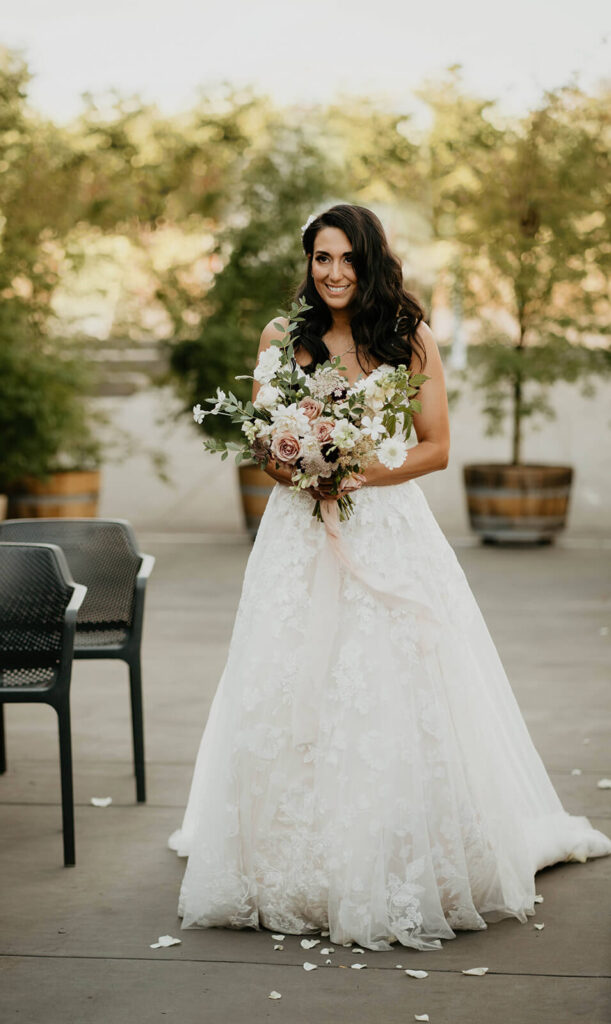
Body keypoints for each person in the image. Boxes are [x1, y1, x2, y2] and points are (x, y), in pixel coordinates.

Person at [167, 203, 611, 952]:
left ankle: (395, 857)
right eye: (320, 259)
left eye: (346, 258)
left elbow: (435, 447)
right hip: (296, 539)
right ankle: (280, 857)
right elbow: (261, 445)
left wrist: (357, 473)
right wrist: (300, 464)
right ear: (307, 265)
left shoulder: (408, 339)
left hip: (387, 532)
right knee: (286, 682)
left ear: (371, 261)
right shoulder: (281, 339)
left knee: (387, 684)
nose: (333, 272)